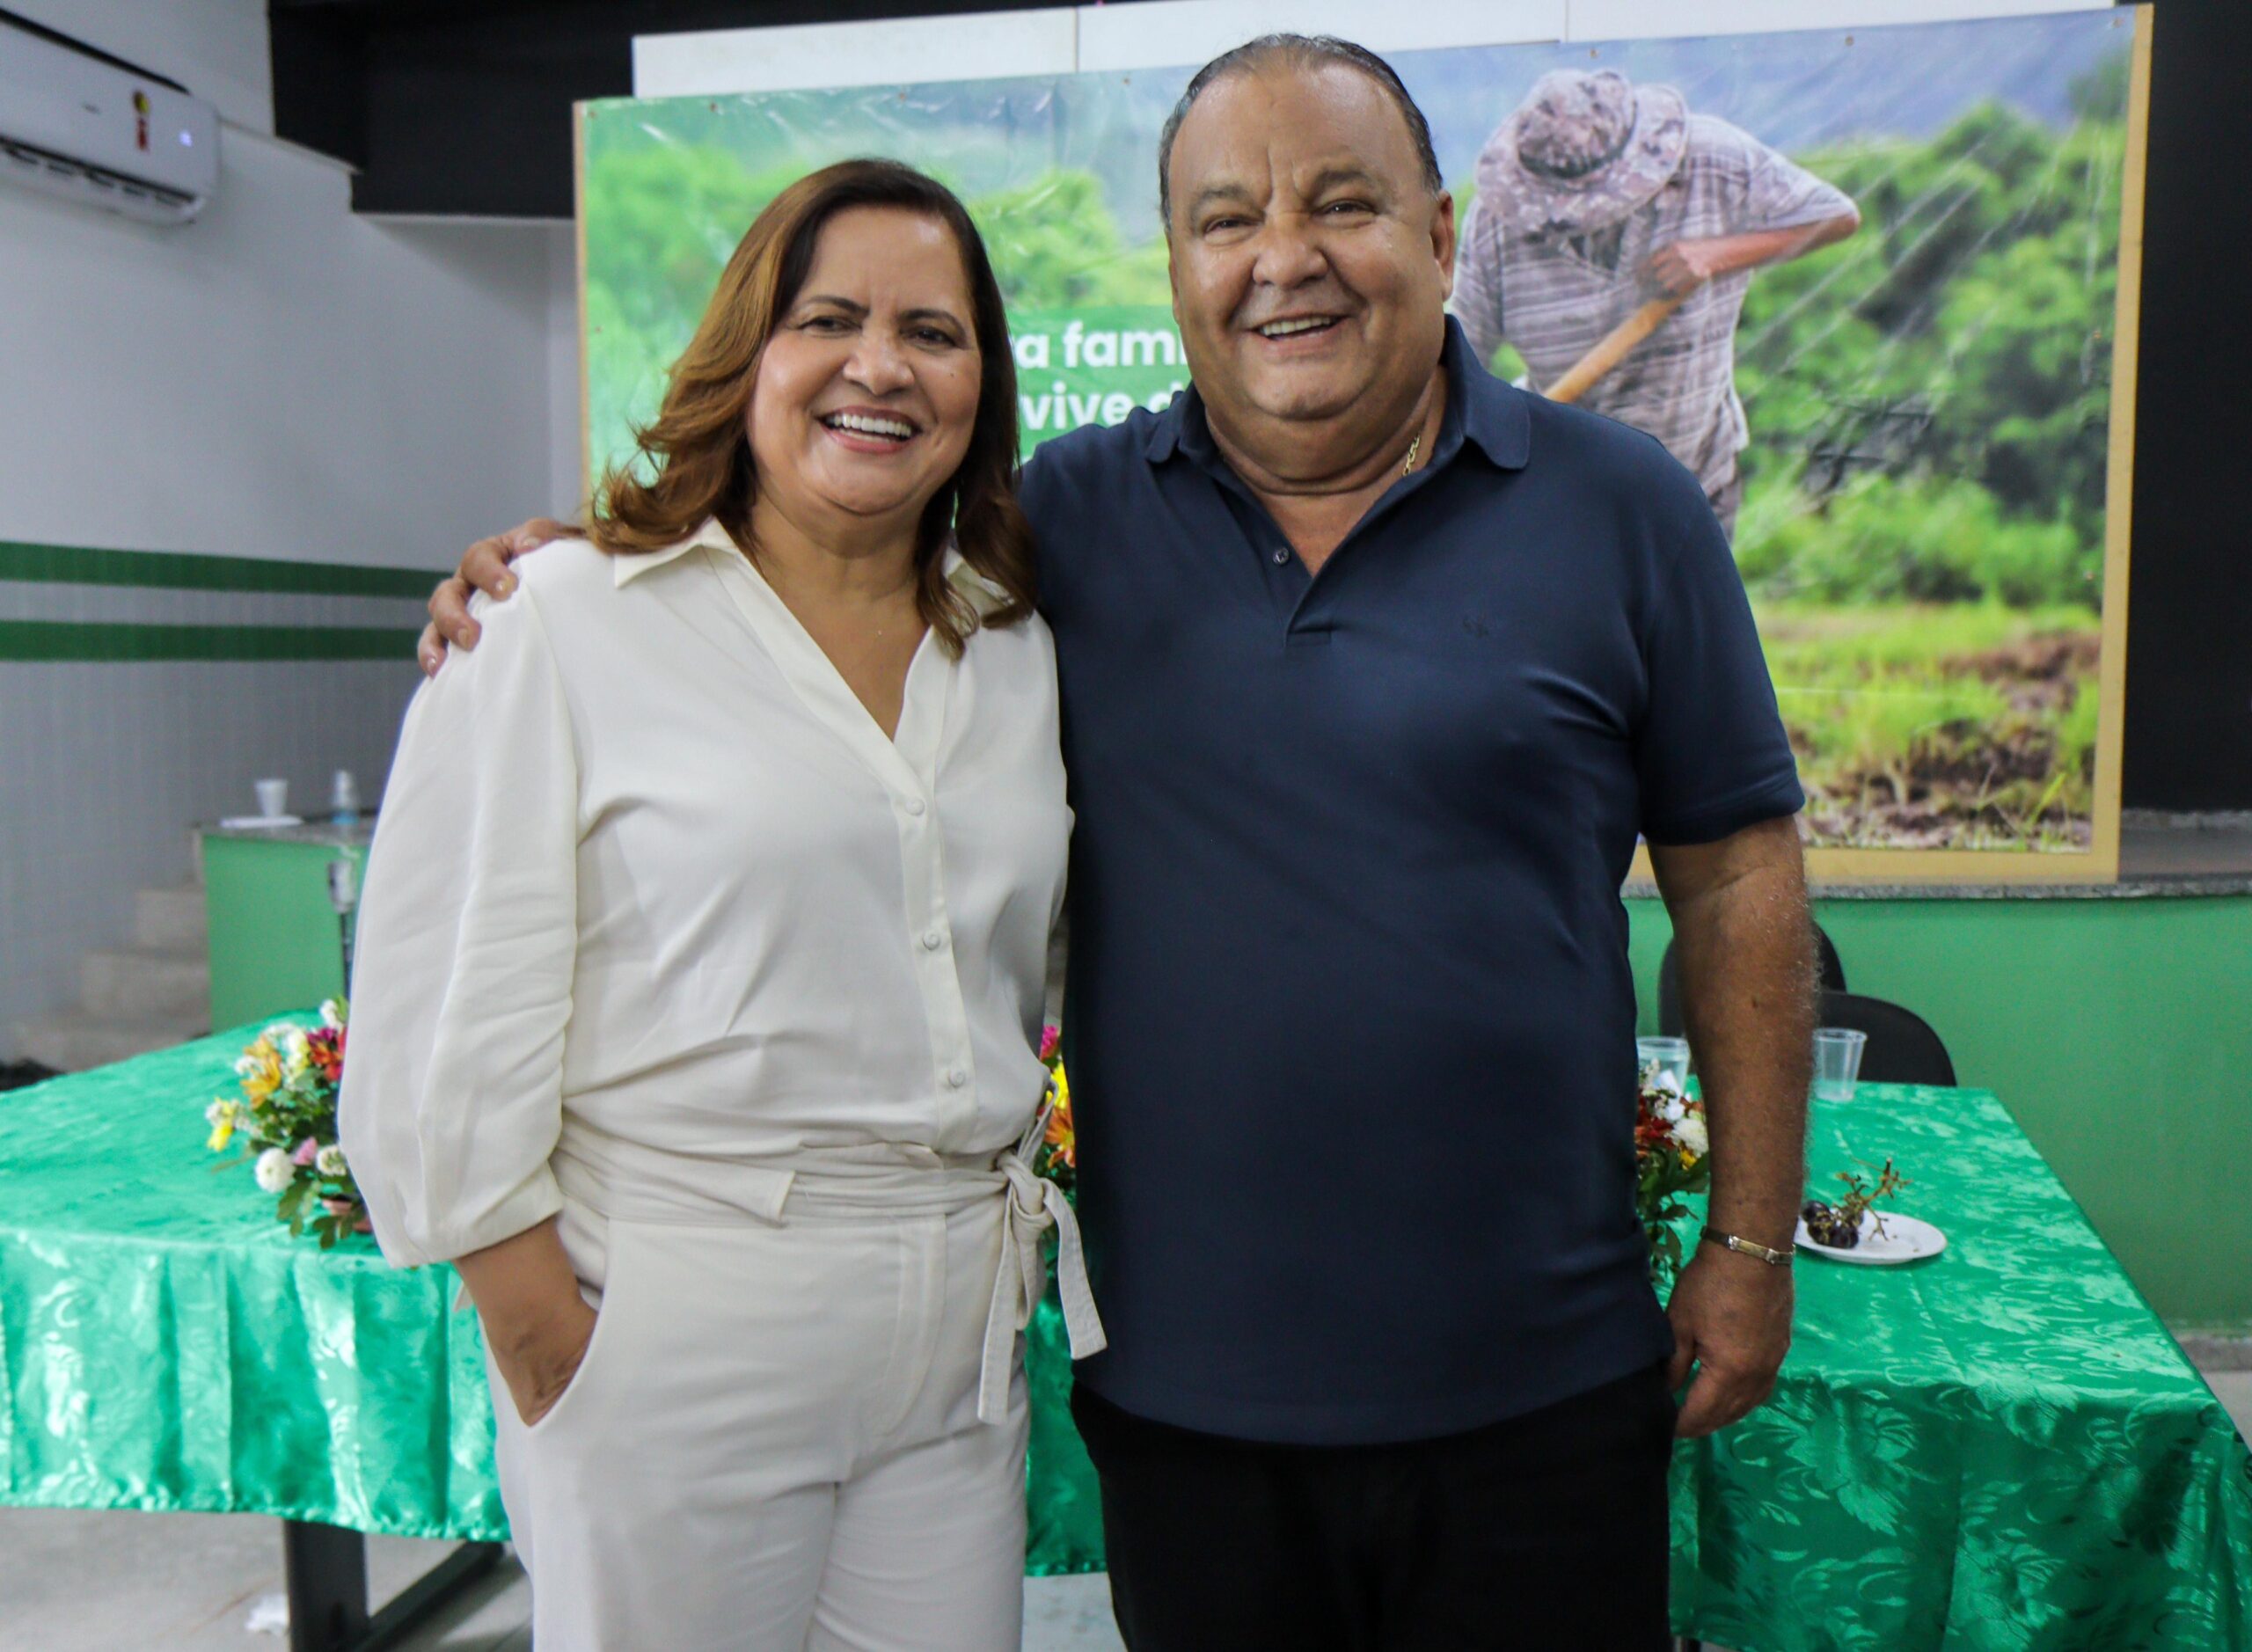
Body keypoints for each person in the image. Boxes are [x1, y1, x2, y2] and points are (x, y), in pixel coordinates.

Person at [423, 35, 1816, 1651]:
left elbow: (1739, 881)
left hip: (1547, 1378)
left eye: (1341, 204)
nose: (1281, 258)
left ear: (1442, 234)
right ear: (1177, 270)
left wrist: (1750, 1237)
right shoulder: (1056, 526)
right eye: (1226, 220)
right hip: (1185, 1401)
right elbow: (812, 539)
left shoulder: (1626, 505)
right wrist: (572, 568)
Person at [340, 158, 1102, 1652]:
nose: (880, 365)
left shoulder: (1011, 644)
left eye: (934, 333)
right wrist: (540, 1327)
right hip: (675, 1309)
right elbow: (447, 988)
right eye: (830, 317)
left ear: (981, 386)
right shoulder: (563, 614)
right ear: (747, 351)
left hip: (954, 1334)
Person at [1453, 67, 1860, 535]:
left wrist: (1715, 254)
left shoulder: (1710, 160)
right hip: (1567, 488)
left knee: (1694, 607)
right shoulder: (1498, 219)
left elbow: (1836, 216)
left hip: (1695, 478)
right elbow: (1463, 352)